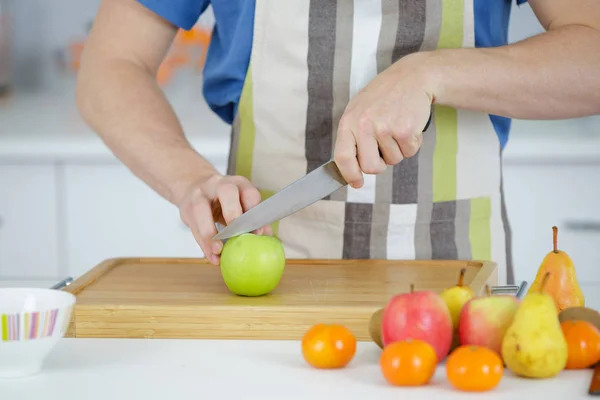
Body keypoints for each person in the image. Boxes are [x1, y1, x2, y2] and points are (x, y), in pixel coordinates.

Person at [76, 0, 600, 286]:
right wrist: (189, 179)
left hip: (458, 279)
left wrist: (432, 71)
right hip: (272, 273)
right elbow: (110, 66)